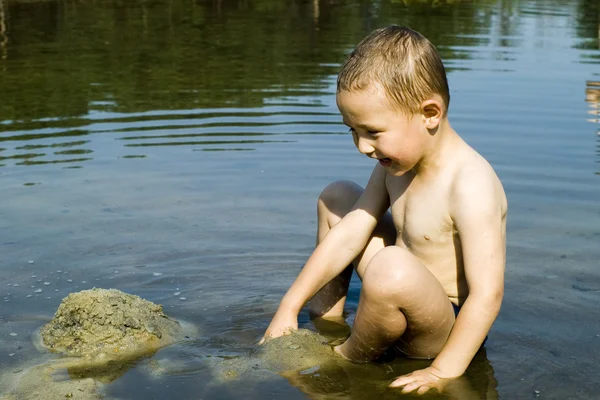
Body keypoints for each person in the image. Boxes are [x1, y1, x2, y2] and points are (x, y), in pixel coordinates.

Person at [260, 25, 507, 394]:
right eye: (352, 131)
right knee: (338, 198)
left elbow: (488, 295)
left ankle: (345, 357)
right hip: (395, 286)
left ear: (430, 113)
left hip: (442, 329)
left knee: (391, 266)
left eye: (373, 132)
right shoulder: (393, 166)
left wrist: (443, 371)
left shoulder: (471, 184)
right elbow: (352, 231)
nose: (362, 146)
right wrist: (288, 306)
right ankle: (324, 320)